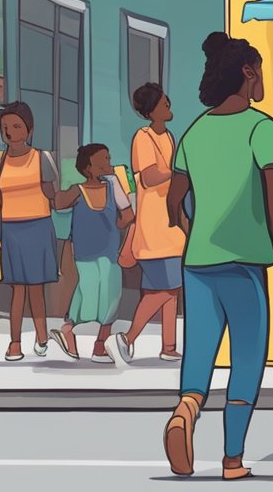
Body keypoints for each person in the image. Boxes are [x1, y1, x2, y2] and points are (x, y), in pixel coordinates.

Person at [162, 32, 273, 480]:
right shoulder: (263, 128)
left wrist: (196, 234)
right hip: (244, 263)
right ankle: (232, 459)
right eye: (261, 72)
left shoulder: (195, 131)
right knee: (247, 359)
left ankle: (186, 408)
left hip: (198, 263)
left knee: (199, 352)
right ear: (248, 71)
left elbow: (173, 203)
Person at [0, 102, 60, 361]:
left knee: (36, 288)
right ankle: (15, 343)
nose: (10, 132)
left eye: (16, 126)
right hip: (12, 230)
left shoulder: (41, 157)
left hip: (37, 227)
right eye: (5, 127)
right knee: (17, 289)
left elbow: (53, 196)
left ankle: (41, 337)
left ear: (29, 129)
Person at [115, 83, 187, 363]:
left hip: (170, 224)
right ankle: (127, 338)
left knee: (169, 289)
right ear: (151, 110)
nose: (168, 104)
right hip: (154, 225)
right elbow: (149, 177)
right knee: (166, 287)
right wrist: (179, 171)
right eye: (163, 102)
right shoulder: (143, 138)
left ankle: (168, 346)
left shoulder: (168, 136)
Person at [49, 144, 133, 363]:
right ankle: (68, 330)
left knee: (111, 296)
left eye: (108, 157)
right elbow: (58, 203)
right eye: (104, 159)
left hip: (109, 251)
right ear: (89, 168)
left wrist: (113, 224)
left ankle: (100, 345)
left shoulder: (112, 186)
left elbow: (128, 216)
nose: (109, 162)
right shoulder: (78, 190)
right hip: (85, 254)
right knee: (86, 294)